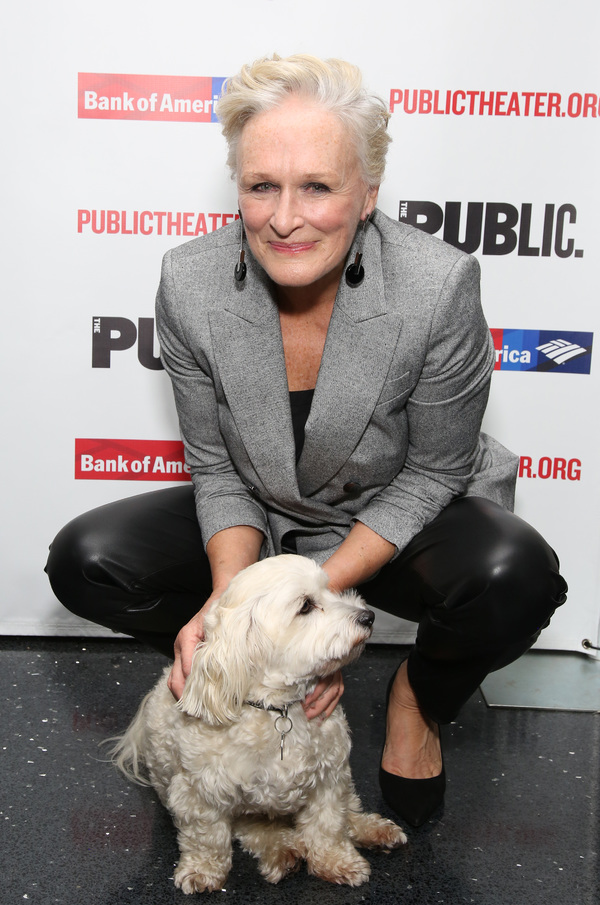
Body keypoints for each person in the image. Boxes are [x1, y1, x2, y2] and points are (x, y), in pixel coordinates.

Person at [46, 54, 567, 827]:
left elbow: (433, 470)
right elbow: (217, 466)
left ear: (367, 195)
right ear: (239, 188)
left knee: (513, 574)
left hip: (401, 514)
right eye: (262, 186)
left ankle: (416, 699)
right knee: (89, 560)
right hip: (264, 517)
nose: (284, 217)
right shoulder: (189, 282)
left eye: (317, 186)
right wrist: (231, 610)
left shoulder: (437, 283)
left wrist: (310, 595)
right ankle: (261, 684)